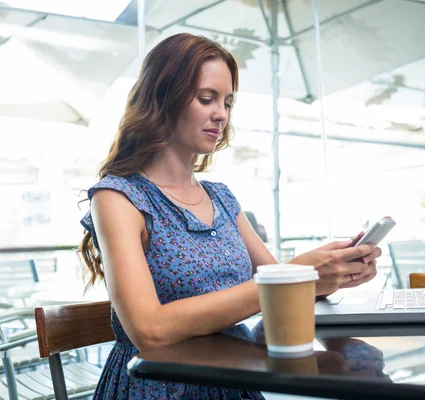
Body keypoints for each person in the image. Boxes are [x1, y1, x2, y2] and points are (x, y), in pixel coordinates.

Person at [79, 32, 382, 400]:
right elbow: (149, 330)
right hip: (158, 387)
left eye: (227, 102)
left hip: (236, 381)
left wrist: (330, 272)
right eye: (206, 99)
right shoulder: (119, 197)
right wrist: (294, 276)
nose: (221, 114)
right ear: (162, 98)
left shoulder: (221, 198)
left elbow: (279, 289)